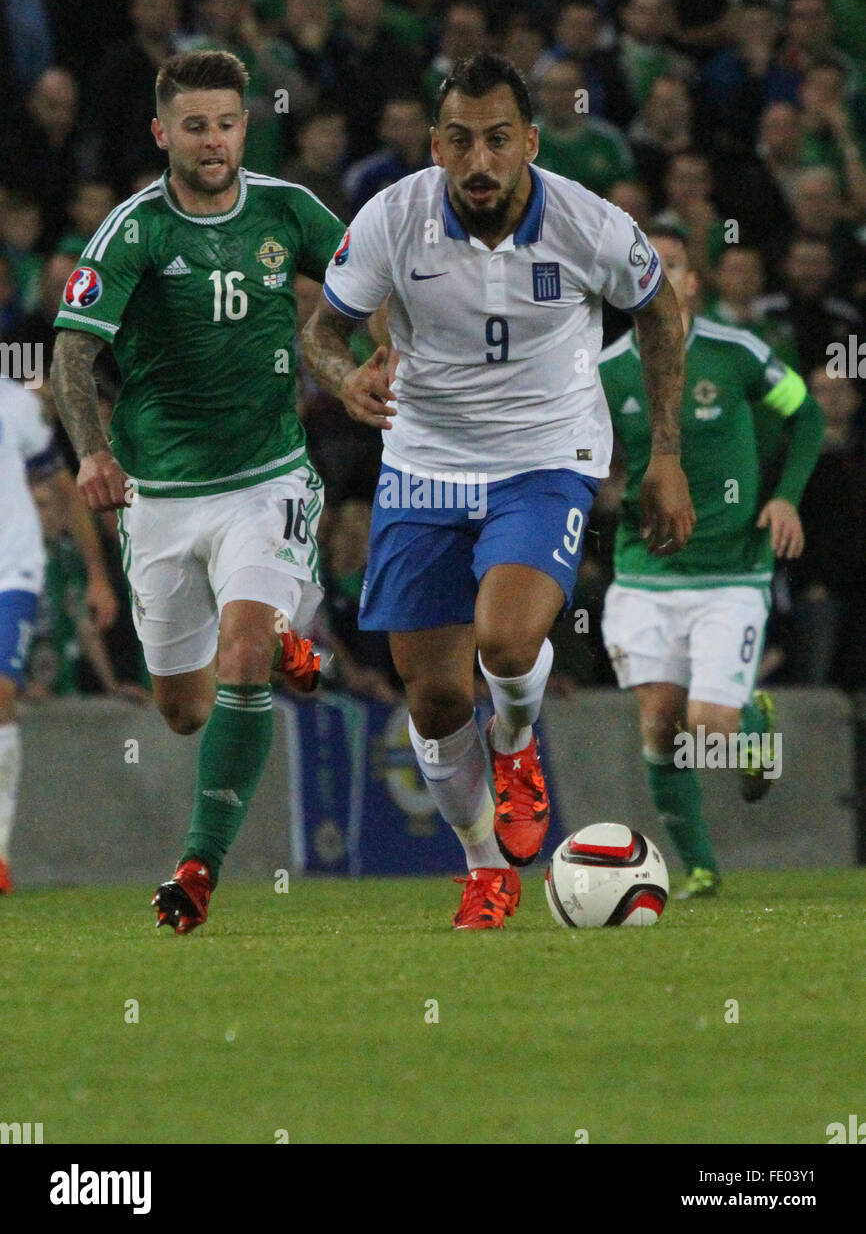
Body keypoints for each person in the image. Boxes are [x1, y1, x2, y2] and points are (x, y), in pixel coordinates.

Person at [302, 53, 696, 929]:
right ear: (435, 145)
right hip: (422, 466)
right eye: (459, 141)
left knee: (508, 643)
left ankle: (516, 744)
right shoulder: (392, 220)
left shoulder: (588, 224)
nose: (479, 162)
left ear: (530, 142)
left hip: (544, 459)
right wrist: (344, 380)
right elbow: (321, 332)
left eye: (497, 140)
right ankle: (485, 868)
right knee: (436, 700)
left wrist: (663, 451)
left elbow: (661, 309)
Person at [50, 49, 346, 934]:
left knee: (245, 655)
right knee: (183, 710)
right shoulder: (134, 231)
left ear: (244, 126)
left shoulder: (291, 211)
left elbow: (370, 281)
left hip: (266, 478)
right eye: (194, 127)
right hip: (161, 496)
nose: (212, 141)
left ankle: (198, 865)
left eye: (225, 124)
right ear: (161, 133)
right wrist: (94, 454)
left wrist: (378, 354)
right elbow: (71, 352)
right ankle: (282, 638)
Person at [598, 226, 824, 899]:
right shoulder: (606, 370)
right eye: (645, 267)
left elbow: (807, 415)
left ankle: (750, 718)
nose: (659, 277)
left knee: (710, 728)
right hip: (644, 573)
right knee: (661, 722)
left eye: (671, 265)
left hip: (732, 572)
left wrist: (785, 499)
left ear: (693, 282)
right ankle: (699, 866)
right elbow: (580, 452)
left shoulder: (738, 354)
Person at [0, 376, 116, 893]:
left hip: (11, 569)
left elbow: (64, 486)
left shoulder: (13, 402)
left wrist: (95, 574)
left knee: (1, 693)